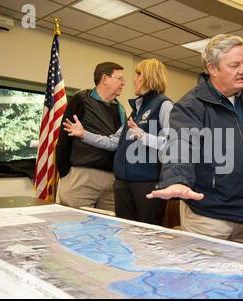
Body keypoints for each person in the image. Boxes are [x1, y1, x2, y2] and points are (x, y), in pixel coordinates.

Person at [147, 34, 243, 245]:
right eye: (234, 65)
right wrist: (176, 179)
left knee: (240, 278)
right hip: (209, 217)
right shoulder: (191, 105)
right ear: (212, 68)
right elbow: (181, 144)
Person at [62, 59, 173, 226]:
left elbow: (174, 144)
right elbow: (114, 142)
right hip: (123, 184)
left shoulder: (164, 105)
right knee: (124, 232)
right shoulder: (135, 111)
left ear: (146, 77)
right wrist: (84, 134)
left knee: (147, 234)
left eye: (137, 75)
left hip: (147, 183)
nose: (131, 81)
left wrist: (144, 136)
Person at [56, 62, 126, 212]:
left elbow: (119, 144)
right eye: (119, 79)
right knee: (73, 227)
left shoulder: (120, 109)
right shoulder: (81, 99)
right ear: (105, 78)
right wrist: (65, 175)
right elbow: (64, 139)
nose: (123, 83)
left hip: (111, 181)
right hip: (81, 178)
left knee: (108, 229)